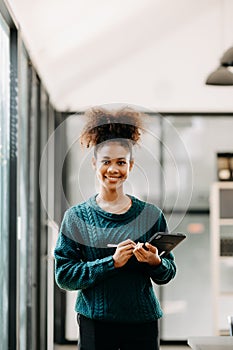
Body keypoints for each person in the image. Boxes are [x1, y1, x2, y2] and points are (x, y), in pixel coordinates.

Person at [54, 106, 177, 350]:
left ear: (130, 166)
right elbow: (64, 276)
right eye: (106, 161)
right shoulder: (76, 217)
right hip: (95, 325)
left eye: (121, 162)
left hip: (142, 322)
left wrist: (155, 262)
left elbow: (168, 272)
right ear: (93, 164)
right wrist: (112, 263)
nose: (113, 169)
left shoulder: (151, 215)